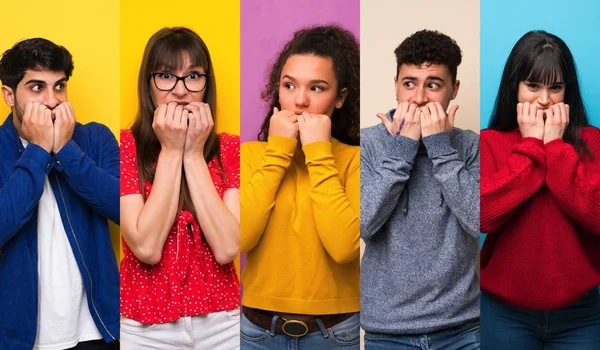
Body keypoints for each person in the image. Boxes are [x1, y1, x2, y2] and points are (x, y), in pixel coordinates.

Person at [239, 25, 361, 349]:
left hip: (337, 333)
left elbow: (344, 247)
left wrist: (319, 153)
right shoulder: (249, 156)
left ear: (340, 98)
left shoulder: (355, 160)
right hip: (256, 333)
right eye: (289, 85)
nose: (300, 100)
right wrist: (278, 152)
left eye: (317, 88)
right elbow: (238, 237)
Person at [119, 27, 241, 349]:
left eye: (193, 76)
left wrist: (192, 152)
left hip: (223, 322)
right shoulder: (124, 147)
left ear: (206, 86)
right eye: (166, 76)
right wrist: (172, 151)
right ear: (149, 84)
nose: (180, 91)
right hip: (144, 325)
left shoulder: (230, 149)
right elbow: (146, 247)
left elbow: (228, 247)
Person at [360, 30, 480, 349]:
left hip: (463, 328)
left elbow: (479, 222)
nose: (419, 98)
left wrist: (441, 148)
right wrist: (402, 148)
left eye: (433, 85)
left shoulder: (470, 146)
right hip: (387, 330)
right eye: (409, 83)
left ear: (453, 90)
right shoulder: (368, 144)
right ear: (396, 84)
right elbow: (363, 224)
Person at [480, 30, 600, 349]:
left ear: (567, 93)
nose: (544, 100)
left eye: (555, 88)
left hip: (581, 315)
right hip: (503, 314)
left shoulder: (591, 142)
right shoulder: (490, 142)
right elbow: (484, 215)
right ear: (514, 88)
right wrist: (532, 144)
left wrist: (557, 147)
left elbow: (597, 216)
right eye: (533, 86)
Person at [0, 38, 120, 349]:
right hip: (21, 337)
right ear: (9, 95)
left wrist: (66, 150)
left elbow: (124, 209)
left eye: (60, 86)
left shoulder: (95, 138)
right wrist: (38, 150)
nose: (52, 100)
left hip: (96, 330)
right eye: (37, 87)